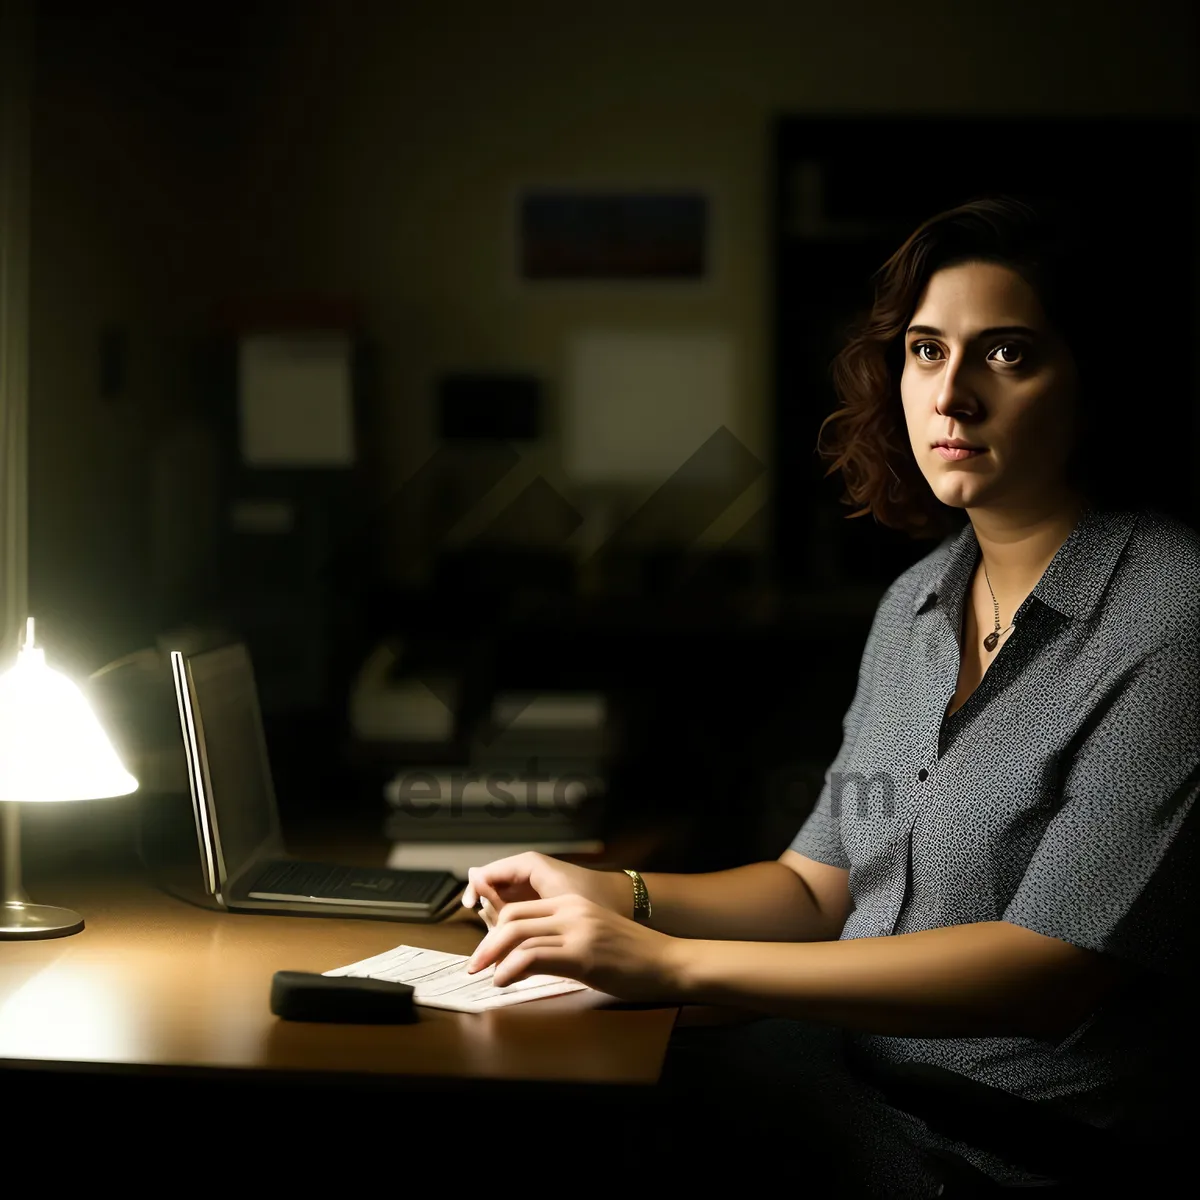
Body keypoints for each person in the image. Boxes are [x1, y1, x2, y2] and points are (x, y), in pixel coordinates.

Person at [460, 195, 1200, 1194]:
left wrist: (671, 964)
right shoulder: (916, 603)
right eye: (928, 352)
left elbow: (1049, 970)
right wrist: (616, 895)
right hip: (854, 1084)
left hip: (1013, 1150)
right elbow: (817, 890)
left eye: (1009, 354)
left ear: (1093, 381)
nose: (954, 397)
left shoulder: (1171, 610)